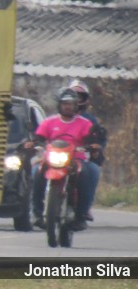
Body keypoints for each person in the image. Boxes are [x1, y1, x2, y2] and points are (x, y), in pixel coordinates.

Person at [25, 88, 100, 232]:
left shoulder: (84, 123)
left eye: (71, 104)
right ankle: (37, 213)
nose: (67, 106)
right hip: (51, 159)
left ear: (76, 106)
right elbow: (39, 138)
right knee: (36, 172)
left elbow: (92, 139)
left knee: (90, 172)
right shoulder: (49, 122)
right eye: (65, 103)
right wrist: (33, 143)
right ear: (59, 105)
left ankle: (81, 214)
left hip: (76, 159)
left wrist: (93, 146)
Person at [69, 79, 106, 221]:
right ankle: (39, 210)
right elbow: (42, 136)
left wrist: (95, 147)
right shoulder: (55, 119)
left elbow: (99, 139)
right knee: (36, 171)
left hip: (81, 157)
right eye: (72, 96)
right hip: (57, 157)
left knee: (93, 171)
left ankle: (84, 208)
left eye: (79, 96)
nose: (75, 100)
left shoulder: (89, 121)